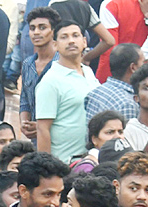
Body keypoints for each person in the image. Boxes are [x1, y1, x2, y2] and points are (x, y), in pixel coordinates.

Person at [34, 21, 95, 160]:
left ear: (84, 41)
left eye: (75, 35)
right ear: (55, 45)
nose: (71, 41)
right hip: (65, 163)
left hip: (90, 159)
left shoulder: (89, 72)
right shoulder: (50, 82)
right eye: (64, 37)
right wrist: (48, 169)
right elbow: (43, 129)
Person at [19, 8, 59, 143]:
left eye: (42, 28)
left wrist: (43, 126)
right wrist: (24, 123)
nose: (36, 32)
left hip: (60, 138)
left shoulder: (63, 64)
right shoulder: (27, 64)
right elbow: (25, 99)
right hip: (36, 140)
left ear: (53, 31)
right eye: (32, 28)